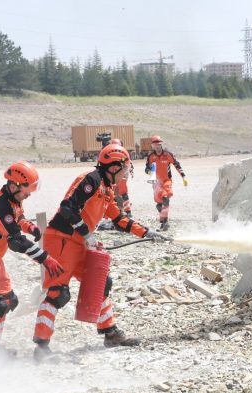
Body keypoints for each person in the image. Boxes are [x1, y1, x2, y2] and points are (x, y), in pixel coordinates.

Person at [32, 143, 167, 361]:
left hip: (79, 243)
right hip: (61, 241)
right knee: (58, 293)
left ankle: (110, 333)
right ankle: (41, 347)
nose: (125, 174)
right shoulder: (91, 180)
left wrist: (146, 232)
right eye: (124, 169)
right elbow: (68, 207)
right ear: (113, 167)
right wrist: (87, 234)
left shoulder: (107, 189)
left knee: (101, 282)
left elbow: (119, 219)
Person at [0, 161, 65, 357]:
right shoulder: (0, 206)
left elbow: (18, 218)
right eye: (27, 190)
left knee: (8, 301)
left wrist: (30, 227)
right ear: (14, 185)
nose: (29, 194)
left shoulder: (13, 199)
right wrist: (45, 259)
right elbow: (16, 242)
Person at [144, 135, 187, 231]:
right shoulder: (150, 156)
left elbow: (177, 165)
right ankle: (163, 222)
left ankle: (166, 222)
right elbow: (146, 169)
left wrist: (183, 177)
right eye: (155, 145)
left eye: (159, 144)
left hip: (167, 181)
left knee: (165, 198)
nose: (158, 147)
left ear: (161, 145)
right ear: (152, 146)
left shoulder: (167, 155)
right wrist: (149, 172)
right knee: (159, 204)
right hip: (156, 182)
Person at [109, 138, 134, 217]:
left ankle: (127, 212)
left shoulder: (123, 154)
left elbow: (128, 162)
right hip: (114, 175)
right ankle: (121, 211)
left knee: (122, 192)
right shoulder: (111, 153)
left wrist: (130, 171)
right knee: (115, 193)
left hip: (121, 174)